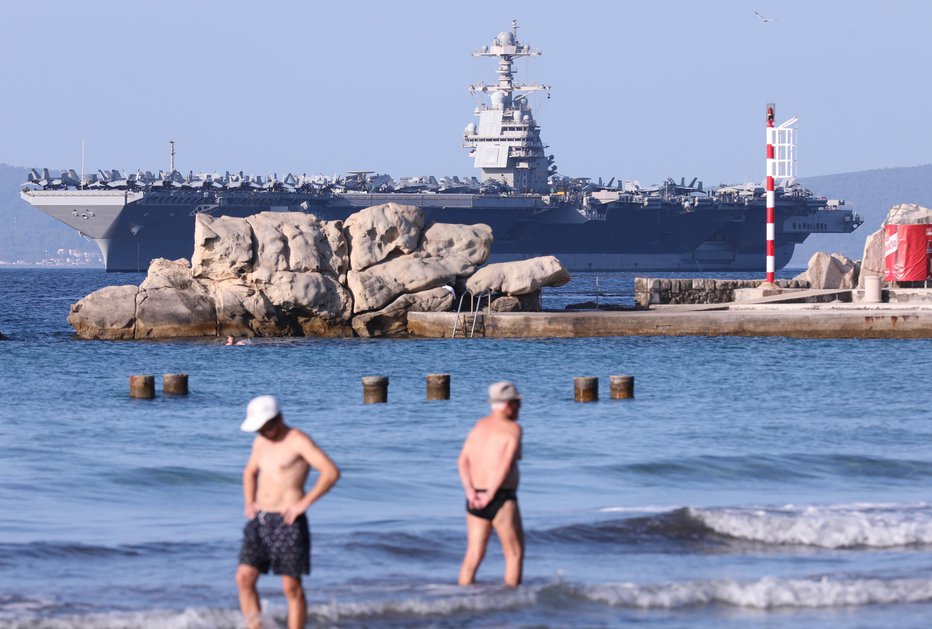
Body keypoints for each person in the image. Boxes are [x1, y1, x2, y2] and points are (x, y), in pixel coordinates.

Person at [235, 395, 340, 629]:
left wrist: (304, 503)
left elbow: (330, 472)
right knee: (244, 578)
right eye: (259, 428)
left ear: (278, 419)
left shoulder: (297, 440)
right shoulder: (260, 442)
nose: (261, 432)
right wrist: (249, 502)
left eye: (265, 427)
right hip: (260, 520)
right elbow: (249, 472)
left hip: (288, 521)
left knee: (291, 587)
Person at [457, 381, 525, 587]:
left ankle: (460, 598)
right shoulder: (513, 429)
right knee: (514, 554)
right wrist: (491, 495)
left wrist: (470, 492)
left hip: (474, 497)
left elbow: (462, 461)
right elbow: (505, 466)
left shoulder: (479, 426)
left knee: (473, 554)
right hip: (500, 497)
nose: (519, 408)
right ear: (507, 404)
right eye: (517, 404)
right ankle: (512, 602)